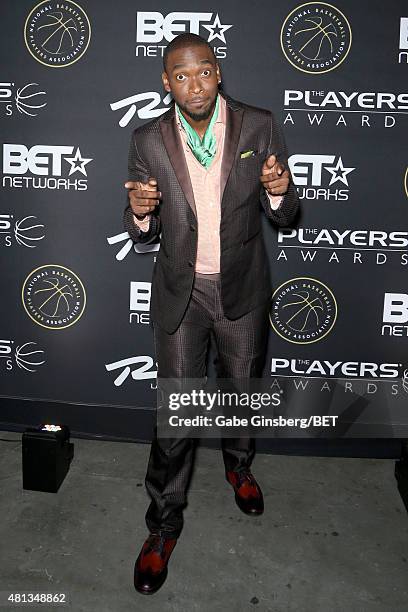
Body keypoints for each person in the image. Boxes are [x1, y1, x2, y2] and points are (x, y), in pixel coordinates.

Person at [123, 33, 300, 594]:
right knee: (176, 415)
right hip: (183, 294)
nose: (193, 84)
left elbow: (287, 213)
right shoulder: (148, 139)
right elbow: (140, 224)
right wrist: (138, 214)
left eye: (203, 72)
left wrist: (279, 192)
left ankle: (238, 465)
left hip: (242, 288)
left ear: (218, 73)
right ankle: (162, 525)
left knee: (242, 394)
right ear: (165, 82)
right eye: (181, 75)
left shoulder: (258, 124)